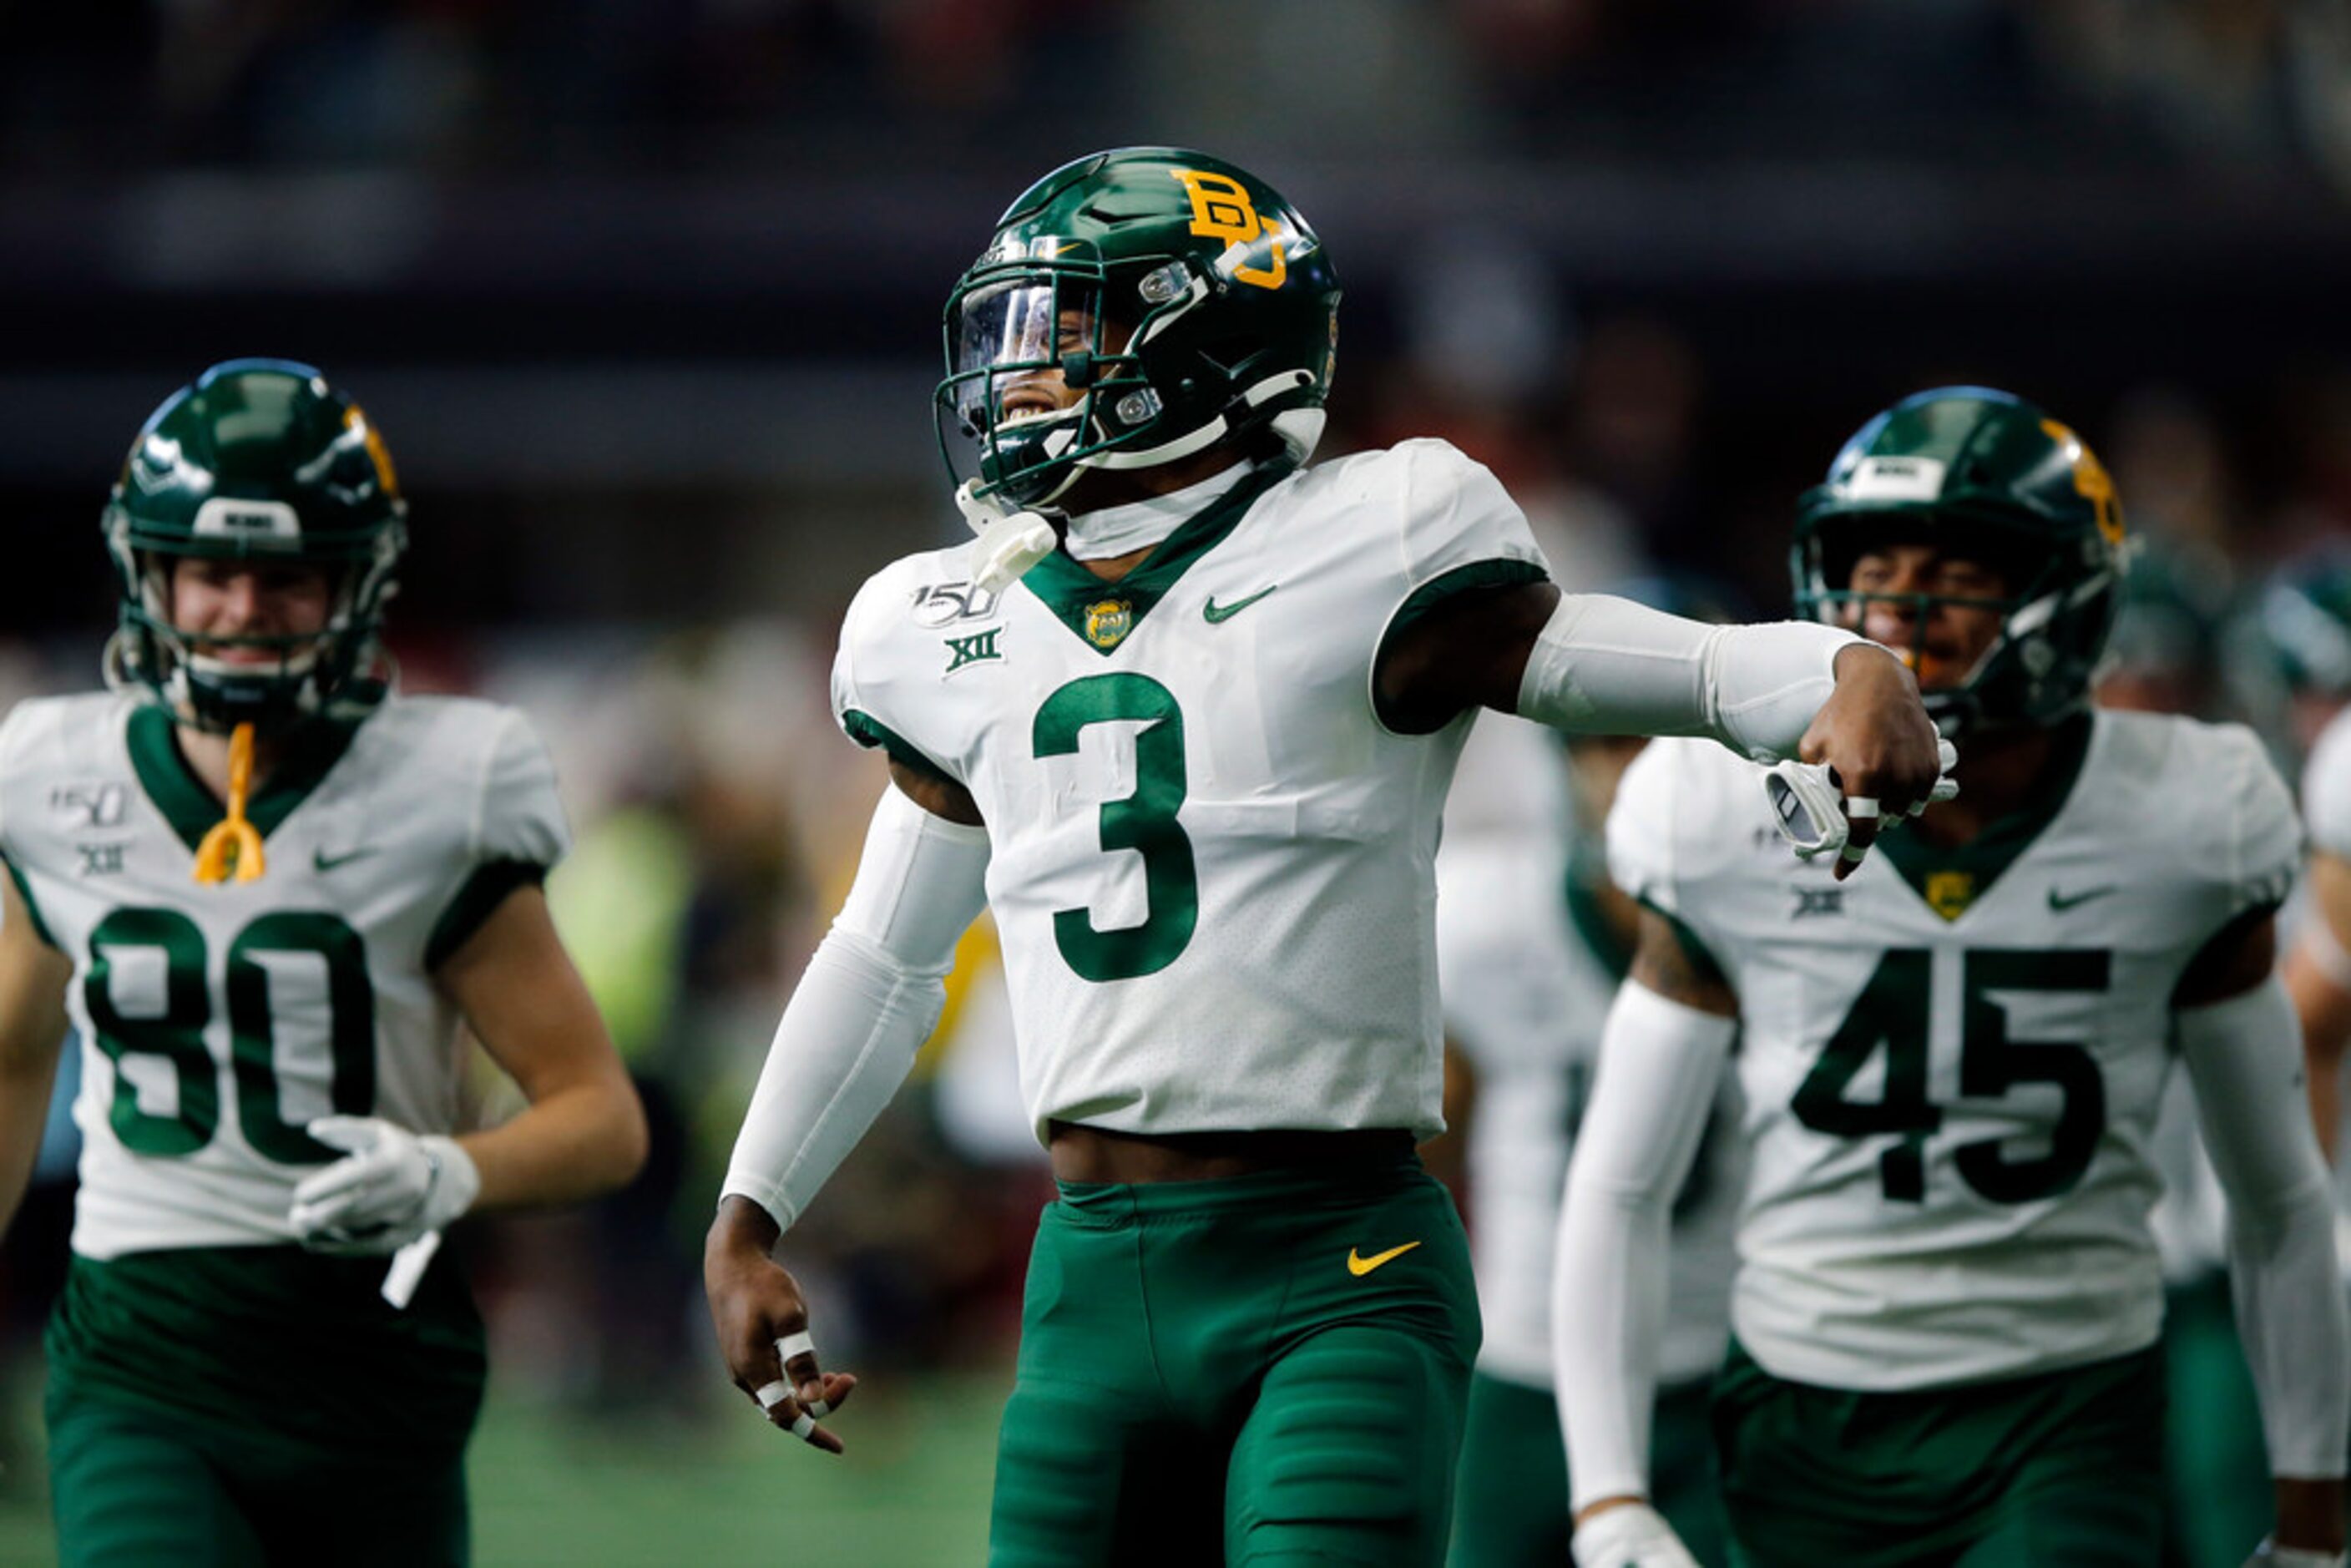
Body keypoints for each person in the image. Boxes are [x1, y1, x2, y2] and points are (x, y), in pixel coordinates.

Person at [702, 147, 1945, 1567]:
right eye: (1020, 334)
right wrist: (750, 1209)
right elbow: (886, 951)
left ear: (1212, 337)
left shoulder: (1379, 534)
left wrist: (1834, 669)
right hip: (1089, 1273)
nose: (1026, 373)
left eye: (1075, 330)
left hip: (1334, 1266)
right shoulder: (943, 620)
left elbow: (1630, 658)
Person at [1553, 387, 2350, 1568]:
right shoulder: (1718, 812)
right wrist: (1607, 1496)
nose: (1899, 604)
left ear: (2063, 589)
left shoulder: (2189, 817)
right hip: (1800, 1401)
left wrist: (2314, 1508)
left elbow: (2278, 1191)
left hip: (2065, 1398)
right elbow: (1620, 1181)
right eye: (1871, 562)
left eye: (1956, 567)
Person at [0, 359, 648, 1566]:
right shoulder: (51, 772)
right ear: (151, 575)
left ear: (357, 580)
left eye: (286, 576)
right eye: (210, 572)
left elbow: (601, 1117)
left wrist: (448, 1171)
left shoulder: (446, 781)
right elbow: (13, 1050)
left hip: (376, 1357)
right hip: (143, 1345)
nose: (243, 608)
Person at [1436, 692, 1741, 1568]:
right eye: (1603, 743)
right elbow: (1422, 1141)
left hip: (1724, 1361)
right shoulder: (1481, 913)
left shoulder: (1781, 912)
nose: (1631, 766)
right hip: (1526, 1366)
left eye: (1660, 738)